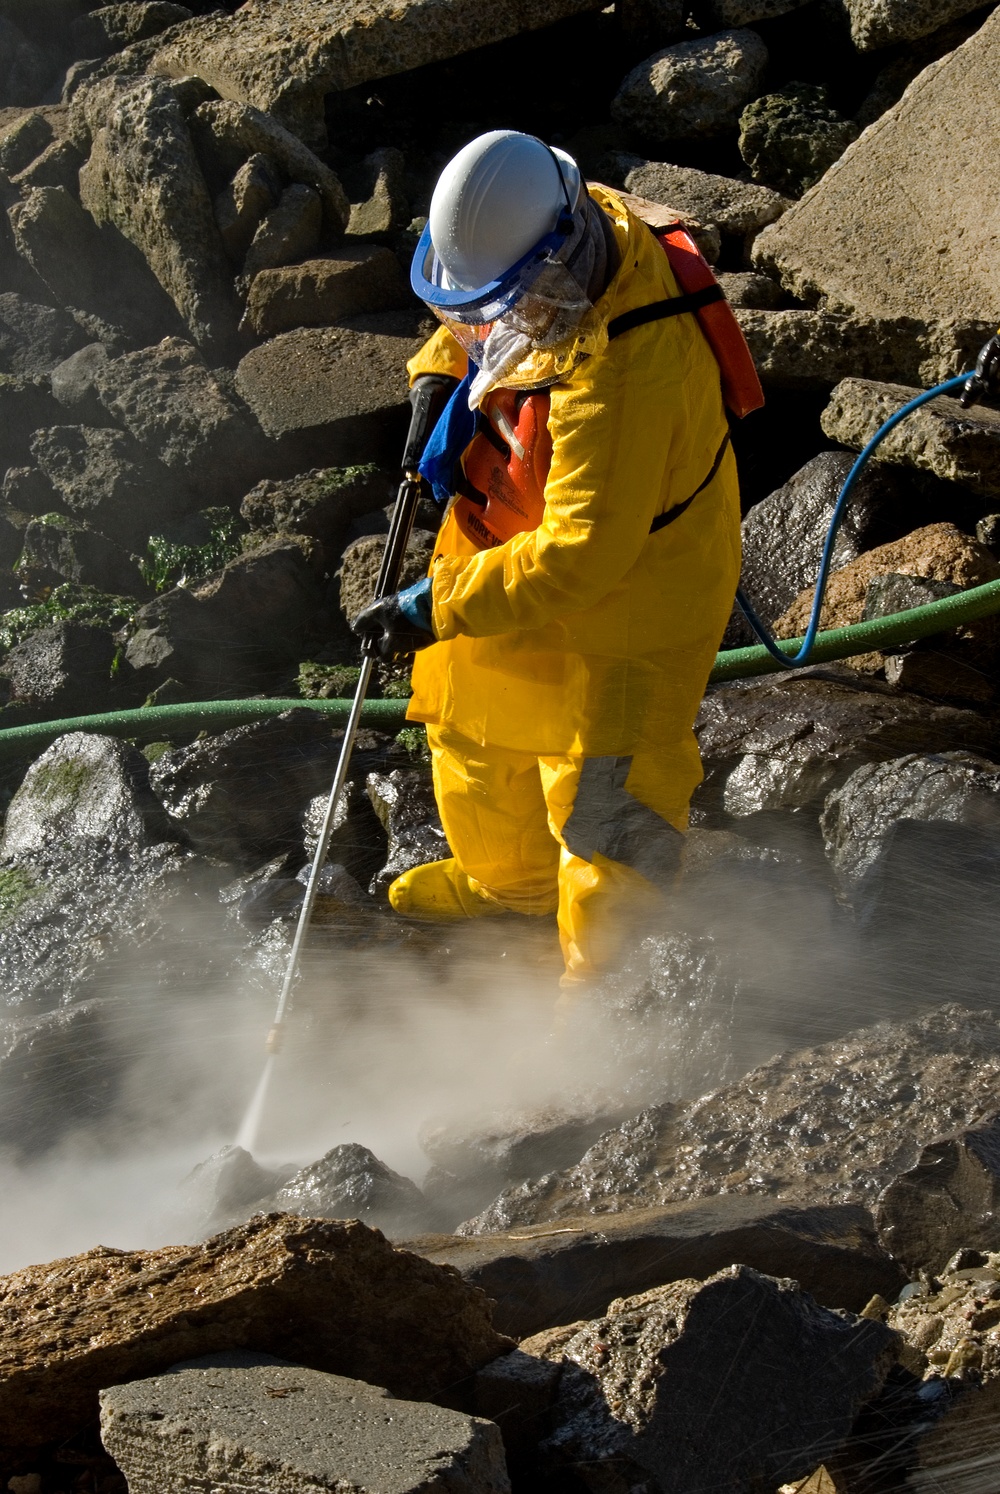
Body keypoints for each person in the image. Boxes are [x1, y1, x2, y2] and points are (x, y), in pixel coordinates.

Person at [353, 129, 742, 1000]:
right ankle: (510, 887)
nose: (487, 315)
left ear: (554, 266)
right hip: (509, 542)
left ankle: (605, 996)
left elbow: (579, 559)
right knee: (474, 737)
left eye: (506, 297)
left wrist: (431, 605)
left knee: (608, 794)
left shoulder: (627, 371)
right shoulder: (560, 231)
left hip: (634, 593)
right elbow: (474, 319)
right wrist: (431, 373)